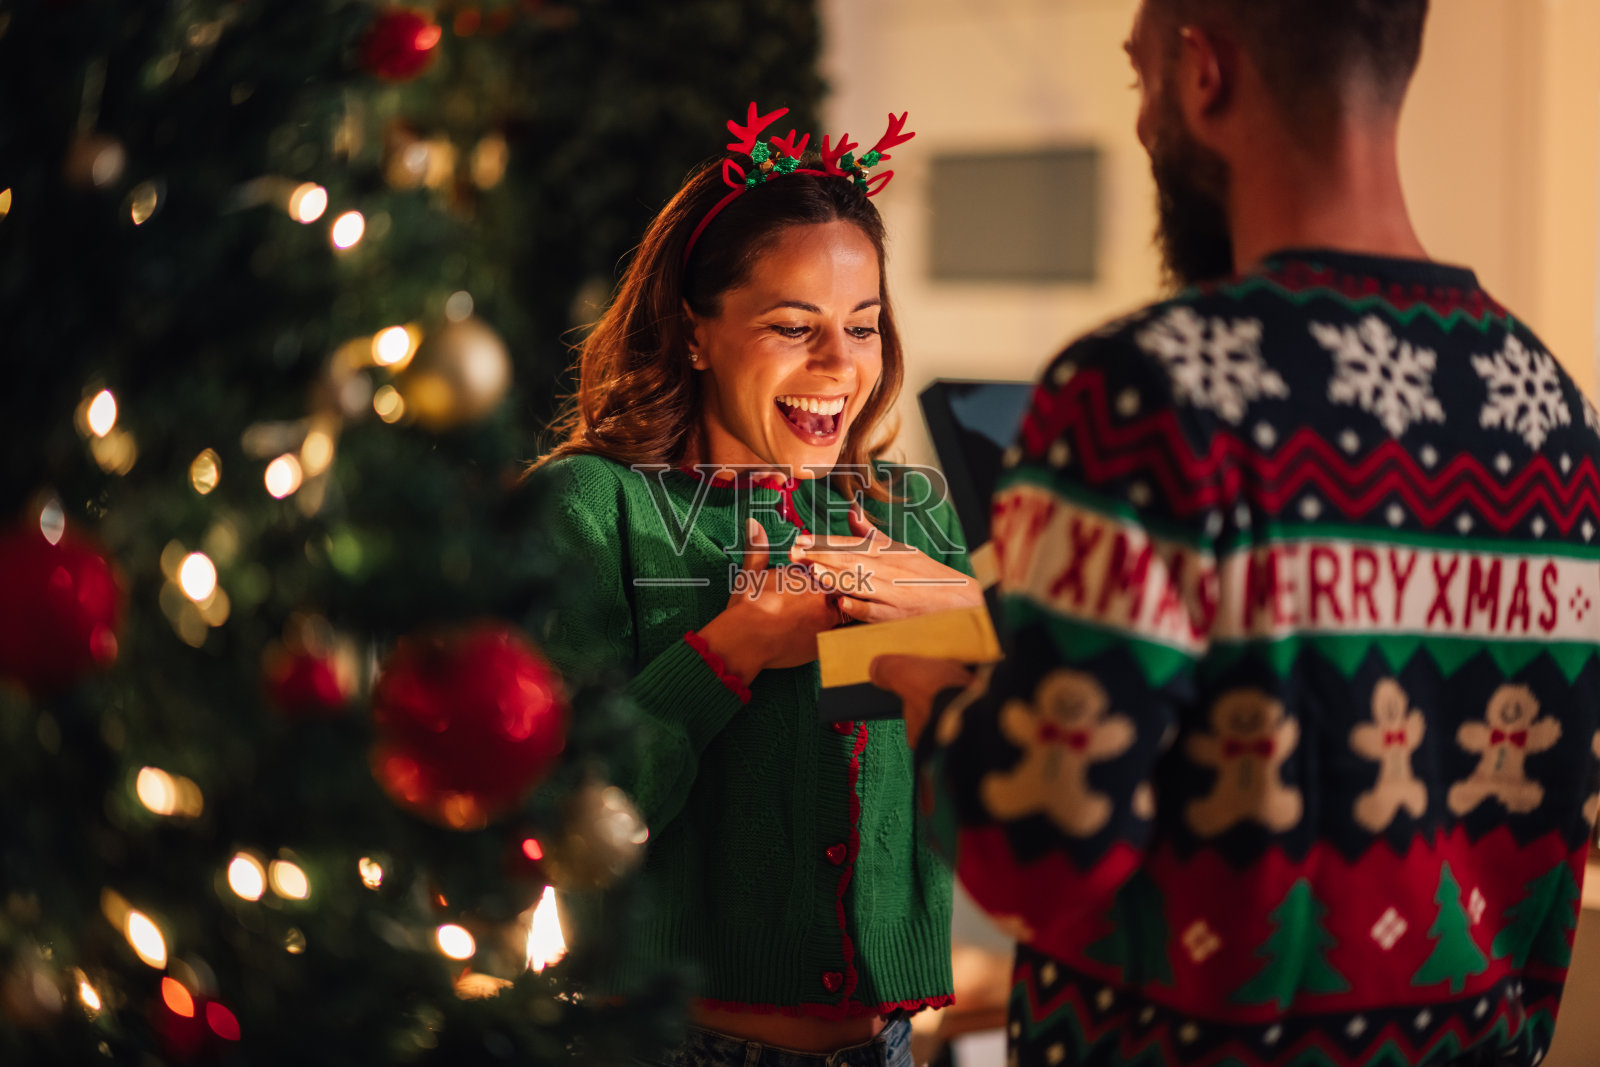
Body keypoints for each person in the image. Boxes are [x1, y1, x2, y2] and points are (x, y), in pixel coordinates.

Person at [872, 2, 1600, 1065]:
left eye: (1139, 82)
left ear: (1201, 73)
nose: (1141, 123)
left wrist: (932, 684)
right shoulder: (1549, 412)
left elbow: (1032, 847)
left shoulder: (1146, 390)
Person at [528, 104, 981, 1067]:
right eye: (792, 325)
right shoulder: (591, 507)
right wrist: (732, 648)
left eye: (863, 326)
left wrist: (977, 622)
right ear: (695, 334)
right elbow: (568, 816)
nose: (840, 365)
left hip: (882, 1050)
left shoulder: (912, 517)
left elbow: (999, 782)